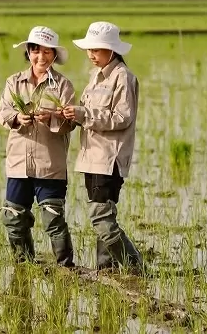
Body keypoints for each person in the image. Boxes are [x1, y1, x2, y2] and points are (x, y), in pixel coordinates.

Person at [62, 20, 144, 274]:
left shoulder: (123, 77)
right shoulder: (94, 78)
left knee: (101, 217)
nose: (91, 55)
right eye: (89, 49)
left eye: (96, 50)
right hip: (91, 156)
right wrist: (70, 116)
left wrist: (83, 114)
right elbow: (87, 114)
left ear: (112, 50)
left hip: (109, 158)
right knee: (104, 216)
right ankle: (106, 268)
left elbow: (122, 117)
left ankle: (134, 266)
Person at [0, 26, 78, 267]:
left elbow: (70, 123)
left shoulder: (63, 86)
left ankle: (65, 268)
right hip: (19, 163)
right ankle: (24, 265)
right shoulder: (14, 82)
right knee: (13, 218)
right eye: (35, 51)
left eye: (47, 52)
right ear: (28, 53)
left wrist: (51, 117)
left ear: (54, 56)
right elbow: (2, 111)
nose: (41, 57)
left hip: (49, 164)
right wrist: (17, 118)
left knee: (53, 220)